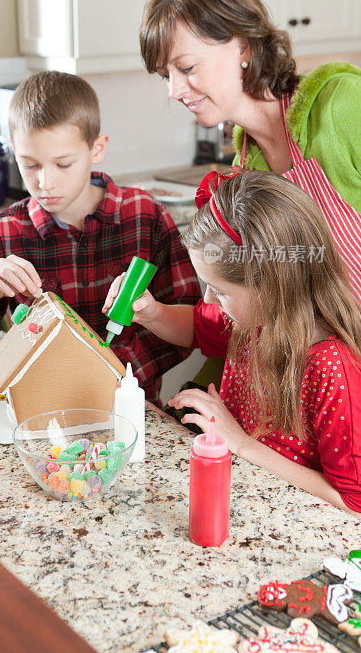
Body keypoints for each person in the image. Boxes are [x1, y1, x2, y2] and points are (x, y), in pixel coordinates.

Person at [103, 170, 361, 513]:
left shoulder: (333, 367)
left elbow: (351, 500)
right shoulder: (254, 321)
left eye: (220, 291)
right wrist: (151, 312)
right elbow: (196, 326)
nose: (208, 300)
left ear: (271, 286)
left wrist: (238, 442)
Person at [0, 70, 201, 403]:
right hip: (38, 417)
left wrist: (114, 373)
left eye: (63, 164)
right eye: (30, 165)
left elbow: (192, 328)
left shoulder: (145, 216)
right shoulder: (2, 233)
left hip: (129, 416)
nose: (45, 182)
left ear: (97, 149)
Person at [140, 0, 361, 303]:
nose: (174, 90)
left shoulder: (342, 103)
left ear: (241, 46)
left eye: (185, 68)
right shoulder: (247, 166)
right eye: (165, 75)